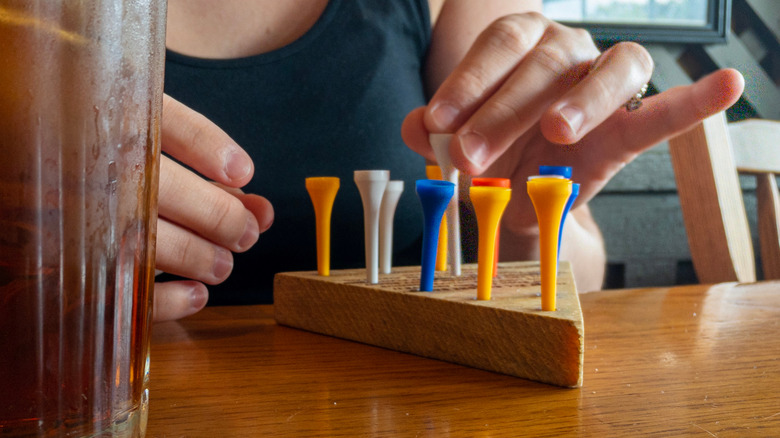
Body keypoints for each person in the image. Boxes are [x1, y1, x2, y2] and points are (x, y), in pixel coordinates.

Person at [153, 0, 745, 322]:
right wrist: (62, 289)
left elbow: (579, 276)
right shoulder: (63, 26)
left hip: (416, 394)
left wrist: (530, 227)